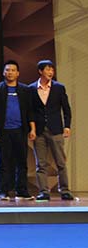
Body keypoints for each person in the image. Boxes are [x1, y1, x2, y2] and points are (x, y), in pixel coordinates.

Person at [0, 60, 36, 200]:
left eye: (13, 70)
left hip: (20, 130)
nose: (10, 73)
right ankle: (3, 191)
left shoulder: (25, 90)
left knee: (22, 162)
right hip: (3, 131)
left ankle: (22, 191)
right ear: (3, 72)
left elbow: (30, 111)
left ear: (18, 73)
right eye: (7, 70)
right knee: (4, 162)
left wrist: (32, 129)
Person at [29, 60, 73, 201]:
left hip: (56, 129)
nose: (50, 72)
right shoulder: (31, 89)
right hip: (39, 131)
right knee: (41, 164)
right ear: (40, 71)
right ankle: (44, 191)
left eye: (52, 70)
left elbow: (66, 109)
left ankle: (64, 190)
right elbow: (30, 111)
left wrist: (67, 126)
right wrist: (32, 129)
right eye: (48, 69)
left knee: (60, 162)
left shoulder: (59, 88)